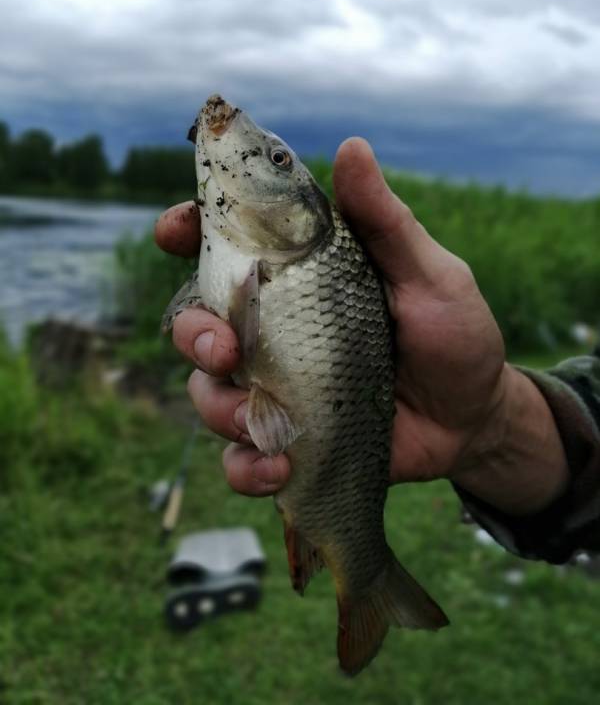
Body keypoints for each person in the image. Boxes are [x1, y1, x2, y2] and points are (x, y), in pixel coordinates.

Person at [155, 137, 600, 564]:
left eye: (278, 160)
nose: (262, 154)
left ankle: (358, 565)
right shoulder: (250, 244)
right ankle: (333, 545)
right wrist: (491, 421)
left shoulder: (301, 253)